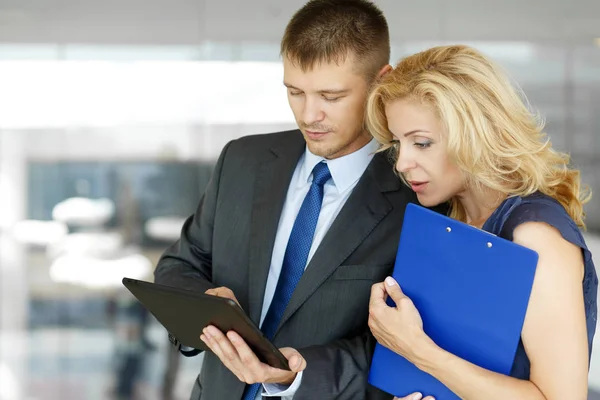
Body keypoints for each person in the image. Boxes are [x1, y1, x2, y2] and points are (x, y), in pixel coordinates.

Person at [154, 1, 445, 399]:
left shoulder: (419, 197)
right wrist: (205, 306)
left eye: (331, 96)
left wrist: (293, 375)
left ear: (382, 82)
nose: (309, 115)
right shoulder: (242, 161)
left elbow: (409, 348)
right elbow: (180, 265)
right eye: (295, 92)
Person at [365, 44, 598, 400]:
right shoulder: (451, 217)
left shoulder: (535, 235)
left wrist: (418, 351)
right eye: (399, 144)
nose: (402, 163)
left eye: (422, 143)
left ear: (476, 135)